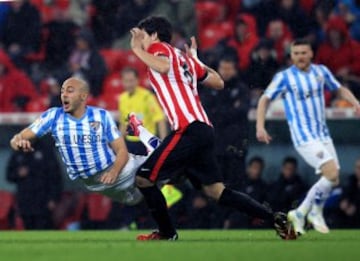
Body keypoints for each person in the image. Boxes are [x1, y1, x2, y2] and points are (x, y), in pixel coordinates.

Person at [129, 15, 295, 241]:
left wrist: (137, 49)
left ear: (155, 35)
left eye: (142, 35)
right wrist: (196, 60)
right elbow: (218, 82)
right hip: (203, 130)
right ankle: (276, 218)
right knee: (215, 191)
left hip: (188, 128)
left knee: (143, 178)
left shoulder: (160, 49)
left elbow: (163, 65)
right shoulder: (183, 58)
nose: (140, 40)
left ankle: (167, 234)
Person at [256, 39, 360, 235]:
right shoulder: (284, 77)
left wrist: (355, 102)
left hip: (323, 133)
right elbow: (264, 99)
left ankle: (309, 212)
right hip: (304, 136)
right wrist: (260, 127)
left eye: (304, 53)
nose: (300, 57)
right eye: (296, 53)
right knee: (330, 173)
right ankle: (305, 212)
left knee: (333, 179)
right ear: (291, 56)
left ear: (311, 54)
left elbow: (338, 88)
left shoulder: (321, 72)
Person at [9, 77, 163, 207]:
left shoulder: (100, 116)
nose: (64, 95)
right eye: (62, 91)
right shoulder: (53, 116)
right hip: (93, 183)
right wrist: (18, 142)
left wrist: (114, 172)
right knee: (135, 200)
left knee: (161, 165)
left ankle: (171, 163)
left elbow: (121, 151)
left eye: (70, 91)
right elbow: (20, 137)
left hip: (118, 169)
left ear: (83, 96)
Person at [200, 55, 250, 187]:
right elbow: (206, 112)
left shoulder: (242, 89)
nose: (226, 72)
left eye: (229, 68)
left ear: (235, 70)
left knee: (237, 183)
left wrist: (220, 111)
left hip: (236, 145)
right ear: (218, 68)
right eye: (223, 68)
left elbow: (243, 111)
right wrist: (232, 109)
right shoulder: (210, 88)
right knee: (216, 183)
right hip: (215, 145)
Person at [6, 137, 62, 230]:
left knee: (44, 229)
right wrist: (18, 173)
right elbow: (9, 175)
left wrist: (53, 198)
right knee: (29, 228)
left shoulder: (45, 150)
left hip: (43, 201)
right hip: (25, 201)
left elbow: (55, 177)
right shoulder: (18, 151)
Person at [118, 67, 167, 155]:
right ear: (122, 81)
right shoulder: (122, 98)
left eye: (131, 80)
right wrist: (120, 143)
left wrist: (163, 144)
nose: (129, 84)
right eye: (126, 81)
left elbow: (160, 119)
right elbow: (123, 123)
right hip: (130, 142)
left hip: (147, 141)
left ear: (137, 80)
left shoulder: (147, 97)